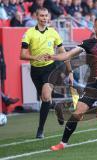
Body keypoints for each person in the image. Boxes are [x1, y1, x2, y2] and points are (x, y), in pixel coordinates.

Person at [47, 16, 97, 151]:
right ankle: (63, 143)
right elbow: (67, 55)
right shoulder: (88, 43)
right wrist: (51, 56)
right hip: (93, 85)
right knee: (78, 112)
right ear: (94, 28)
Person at [20, 7, 73, 139]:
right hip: (35, 71)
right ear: (36, 17)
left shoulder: (54, 33)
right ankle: (58, 108)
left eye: (46, 16)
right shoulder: (29, 33)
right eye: (42, 16)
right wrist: (34, 57)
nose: (44, 18)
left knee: (45, 96)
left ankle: (40, 130)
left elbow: (63, 52)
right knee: (46, 99)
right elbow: (22, 54)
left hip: (50, 69)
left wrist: (70, 71)